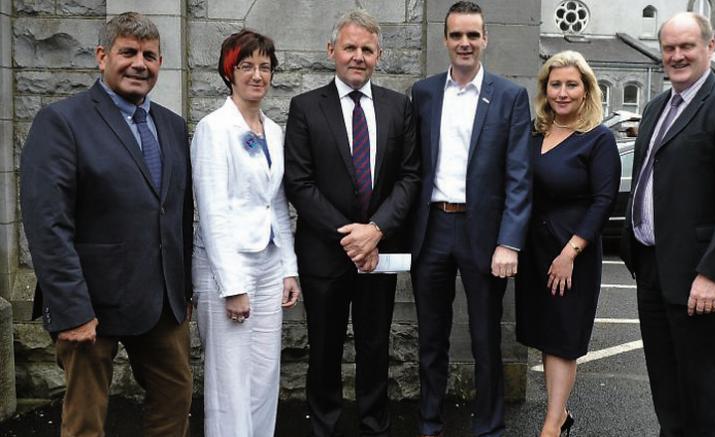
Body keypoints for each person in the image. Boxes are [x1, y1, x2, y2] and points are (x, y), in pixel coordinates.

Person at [20, 12, 193, 436]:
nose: (140, 63)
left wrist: (182, 287)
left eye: (150, 55)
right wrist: (72, 309)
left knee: (175, 399)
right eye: (128, 52)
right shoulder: (62, 121)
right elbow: (47, 224)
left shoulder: (171, 125)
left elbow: (179, 213)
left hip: (161, 303)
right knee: (85, 421)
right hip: (90, 305)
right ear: (102, 56)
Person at [619, 12, 715, 437]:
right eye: (669, 48)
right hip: (652, 269)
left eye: (687, 46)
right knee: (669, 394)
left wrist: (713, 273)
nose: (677, 55)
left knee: (707, 399)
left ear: (710, 46)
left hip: (702, 278)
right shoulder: (655, 108)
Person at [283, 9, 420, 437]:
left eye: (367, 49)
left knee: (375, 345)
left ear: (378, 55)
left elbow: (410, 176)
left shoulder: (399, 107)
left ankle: (374, 424)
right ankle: (323, 425)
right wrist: (352, 237)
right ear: (332, 51)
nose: (358, 56)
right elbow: (300, 184)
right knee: (323, 347)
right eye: (350, 47)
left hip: (379, 252)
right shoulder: (305, 107)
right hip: (326, 252)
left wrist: (376, 230)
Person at [409, 2, 533, 436]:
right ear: (445, 39)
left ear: (485, 39)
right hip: (433, 229)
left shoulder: (510, 96)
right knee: (431, 339)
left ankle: (490, 427)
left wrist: (509, 242)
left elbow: (519, 175)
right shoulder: (423, 93)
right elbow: (413, 167)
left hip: (483, 233)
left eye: (473, 35)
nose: (465, 43)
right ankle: (429, 422)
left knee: (485, 339)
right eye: (457, 35)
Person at [191, 30, 300, 436]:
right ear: (229, 71)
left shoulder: (273, 130)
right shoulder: (213, 128)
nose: (258, 75)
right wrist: (232, 286)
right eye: (247, 66)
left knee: (263, 374)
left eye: (265, 67)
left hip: (269, 264)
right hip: (226, 268)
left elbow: (276, 204)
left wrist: (289, 268)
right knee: (229, 380)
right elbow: (212, 212)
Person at [515, 50, 620, 437]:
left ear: (586, 90)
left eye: (571, 84)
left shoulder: (598, 138)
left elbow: (603, 200)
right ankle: (560, 412)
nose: (562, 92)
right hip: (535, 249)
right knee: (546, 333)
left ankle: (552, 423)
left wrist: (571, 251)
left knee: (563, 337)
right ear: (545, 89)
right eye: (555, 84)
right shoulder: (535, 132)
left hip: (570, 252)